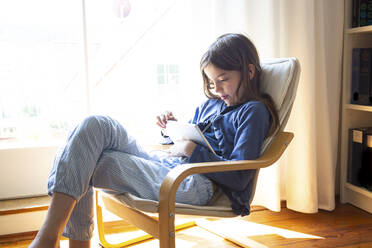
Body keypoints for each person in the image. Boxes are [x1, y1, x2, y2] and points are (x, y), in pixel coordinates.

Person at [29, 33, 279, 248]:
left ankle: (53, 239)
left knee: (86, 159)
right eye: (212, 83)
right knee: (94, 126)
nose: (217, 89)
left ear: (248, 71)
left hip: (195, 183)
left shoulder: (253, 111)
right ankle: (50, 237)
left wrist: (193, 150)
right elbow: (187, 142)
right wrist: (170, 129)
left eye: (223, 79)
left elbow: (240, 175)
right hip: (170, 166)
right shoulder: (210, 105)